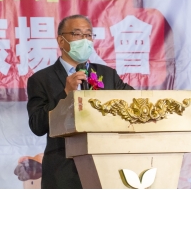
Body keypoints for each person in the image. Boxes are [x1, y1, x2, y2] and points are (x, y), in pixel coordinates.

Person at [26, 14, 133, 189]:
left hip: (107, 167)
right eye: (77, 34)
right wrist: (66, 94)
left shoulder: (108, 75)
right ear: (61, 41)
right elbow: (37, 125)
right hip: (64, 172)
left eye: (88, 35)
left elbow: (134, 103)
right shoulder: (41, 79)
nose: (85, 40)